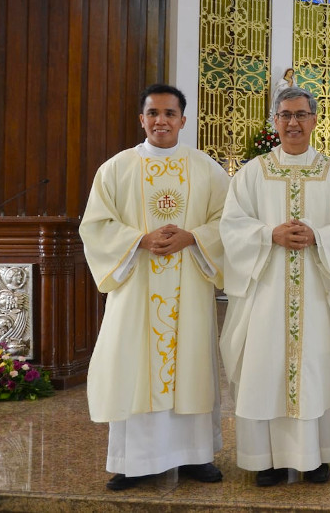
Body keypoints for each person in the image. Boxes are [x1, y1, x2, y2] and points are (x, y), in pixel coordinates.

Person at [80, 84, 230, 490]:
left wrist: (193, 237)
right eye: (153, 113)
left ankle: (197, 456)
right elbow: (95, 226)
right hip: (135, 287)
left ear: (183, 119)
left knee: (192, 365)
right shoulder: (116, 168)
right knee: (133, 365)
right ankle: (134, 462)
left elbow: (227, 221)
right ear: (141, 119)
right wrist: (138, 240)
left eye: (169, 113)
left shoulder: (207, 169)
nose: (161, 121)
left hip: (190, 288)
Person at [219, 87, 330, 487]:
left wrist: (318, 234)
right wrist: (268, 235)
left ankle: (314, 457)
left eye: (301, 115)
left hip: (317, 291)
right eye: (285, 115)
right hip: (266, 291)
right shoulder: (252, 172)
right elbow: (231, 225)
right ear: (274, 121)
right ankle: (267, 459)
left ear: (315, 120)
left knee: (315, 366)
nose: (293, 123)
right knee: (266, 368)